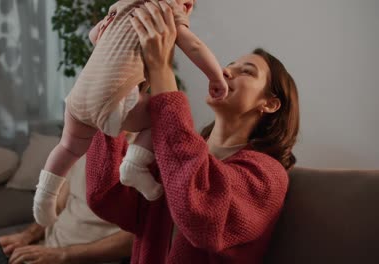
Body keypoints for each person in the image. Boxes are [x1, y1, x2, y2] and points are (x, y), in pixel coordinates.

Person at [85, 0, 300, 263]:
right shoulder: (171, 152)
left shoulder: (268, 176)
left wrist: (162, 68)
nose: (226, 71)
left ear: (270, 103)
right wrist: (115, 86)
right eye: (230, 64)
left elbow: (201, 215)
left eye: (246, 72)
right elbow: (106, 198)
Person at [33, 0, 230, 227]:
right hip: (113, 96)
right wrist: (215, 76)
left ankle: (44, 196)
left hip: (80, 94)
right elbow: (193, 45)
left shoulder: (122, 4)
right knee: (162, 114)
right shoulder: (165, 7)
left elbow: (94, 35)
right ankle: (134, 166)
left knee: (68, 148)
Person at [0, 156, 134, 264]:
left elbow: (139, 238)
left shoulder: (145, 156)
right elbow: (57, 206)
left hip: (85, 259)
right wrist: (27, 236)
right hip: (44, 249)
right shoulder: (85, 140)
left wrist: (63, 255)